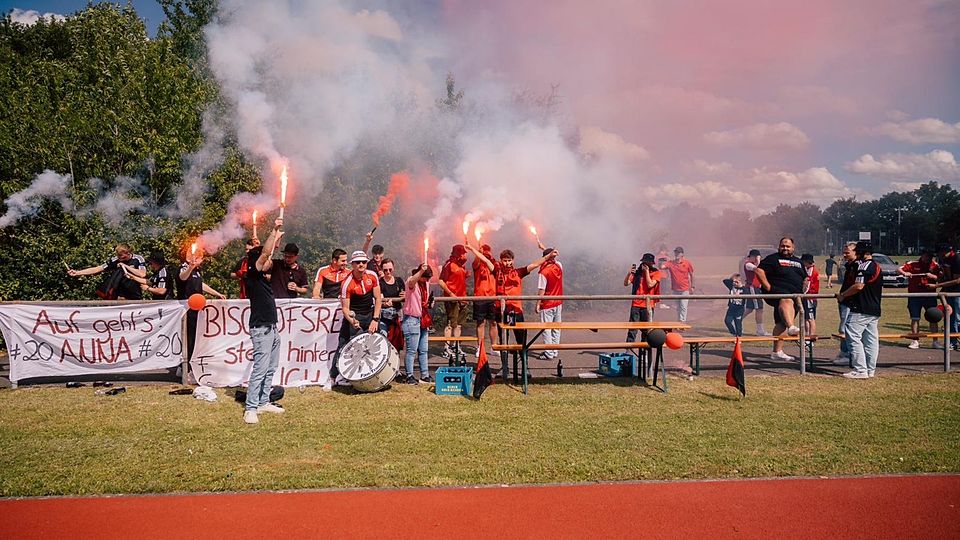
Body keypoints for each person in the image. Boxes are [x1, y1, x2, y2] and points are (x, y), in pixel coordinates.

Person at [242, 218, 286, 424]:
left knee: (271, 367)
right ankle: (251, 407)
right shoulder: (252, 273)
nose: (270, 262)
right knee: (260, 368)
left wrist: (276, 239)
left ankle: (263, 401)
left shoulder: (260, 276)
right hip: (261, 329)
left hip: (271, 328)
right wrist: (274, 230)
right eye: (264, 259)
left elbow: (270, 253)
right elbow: (266, 254)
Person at [494, 248, 555, 379]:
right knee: (503, 340)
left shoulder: (518, 272)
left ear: (513, 261)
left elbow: (534, 264)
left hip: (516, 311)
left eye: (509, 260)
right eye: (504, 261)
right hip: (501, 310)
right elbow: (486, 261)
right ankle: (504, 368)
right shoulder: (497, 272)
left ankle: (525, 367)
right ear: (501, 261)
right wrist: (472, 248)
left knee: (521, 340)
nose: (507, 263)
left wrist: (548, 256)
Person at [332, 250, 383, 388]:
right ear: (352, 264)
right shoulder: (346, 283)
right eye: (357, 262)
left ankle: (370, 375)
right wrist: (352, 321)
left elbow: (378, 298)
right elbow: (345, 309)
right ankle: (339, 376)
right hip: (355, 316)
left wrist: (375, 319)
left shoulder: (372, 276)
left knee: (371, 346)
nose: (361, 264)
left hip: (370, 314)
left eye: (364, 262)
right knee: (349, 346)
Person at [754, 237, 807, 361]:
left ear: (793, 248)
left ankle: (777, 352)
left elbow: (804, 277)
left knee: (781, 323)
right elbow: (759, 271)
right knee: (786, 300)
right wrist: (767, 286)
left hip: (796, 296)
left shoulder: (798, 262)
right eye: (783, 246)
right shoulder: (773, 259)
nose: (785, 248)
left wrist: (803, 288)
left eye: (788, 246)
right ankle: (792, 327)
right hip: (779, 293)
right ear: (779, 246)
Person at [835, 241, 883, 379]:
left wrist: (843, 295)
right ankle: (870, 369)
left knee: (853, 337)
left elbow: (859, 286)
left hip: (861, 308)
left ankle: (860, 369)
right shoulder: (876, 266)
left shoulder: (863, 266)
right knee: (871, 340)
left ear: (861, 252)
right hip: (874, 308)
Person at [67, 243, 146, 300]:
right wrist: (77, 272)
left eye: (121, 256)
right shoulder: (115, 260)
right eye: (117, 255)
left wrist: (125, 266)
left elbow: (142, 274)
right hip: (120, 296)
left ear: (128, 253)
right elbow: (98, 269)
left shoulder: (138, 259)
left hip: (135, 295)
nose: (118, 258)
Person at [898, 250, 941, 349]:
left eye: (930, 257)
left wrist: (933, 276)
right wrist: (905, 273)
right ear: (922, 256)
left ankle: (935, 341)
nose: (928, 259)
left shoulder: (935, 265)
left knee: (933, 318)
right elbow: (899, 269)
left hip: (930, 296)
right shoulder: (913, 264)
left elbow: (941, 279)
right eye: (926, 256)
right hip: (915, 296)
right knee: (915, 318)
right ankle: (915, 340)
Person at [401, 264, 433, 384]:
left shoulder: (426, 285)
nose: (427, 280)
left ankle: (424, 374)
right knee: (411, 350)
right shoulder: (412, 282)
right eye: (426, 278)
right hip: (411, 319)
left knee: (424, 350)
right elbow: (412, 280)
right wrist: (421, 271)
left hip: (423, 318)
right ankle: (409, 375)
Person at [466, 241, 498, 359]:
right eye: (485, 253)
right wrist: (478, 253)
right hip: (480, 296)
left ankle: (494, 346)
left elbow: (493, 266)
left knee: (493, 322)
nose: (487, 255)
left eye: (488, 253)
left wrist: (486, 257)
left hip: (493, 297)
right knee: (481, 323)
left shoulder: (494, 264)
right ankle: (480, 347)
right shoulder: (477, 265)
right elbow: (476, 262)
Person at [438, 244, 469, 362]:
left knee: (459, 324)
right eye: (463, 253)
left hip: (462, 298)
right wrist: (450, 293)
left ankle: (456, 346)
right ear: (457, 253)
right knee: (451, 323)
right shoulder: (449, 264)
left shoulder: (462, 266)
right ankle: (447, 347)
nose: (464, 255)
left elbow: (459, 280)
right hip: (452, 299)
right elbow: (441, 281)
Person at [624, 253, 661, 342]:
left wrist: (647, 272)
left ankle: (644, 352)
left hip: (648, 305)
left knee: (646, 330)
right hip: (636, 304)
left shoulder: (656, 272)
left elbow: (650, 284)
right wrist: (629, 273)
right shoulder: (638, 273)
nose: (645, 265)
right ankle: (629, 350)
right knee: (633, 329)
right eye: (644, 263)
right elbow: (626, 283)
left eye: (648, 263)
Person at [832, 242, 858, 366]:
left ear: (855, 252)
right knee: (842, 327)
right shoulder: (848, 265)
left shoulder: (858, 266)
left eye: (847, 252)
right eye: (844, 252)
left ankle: (847, 354)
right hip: (844, 301)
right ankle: (844, 352)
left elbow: (856, 286)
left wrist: (844, 295)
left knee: (846, 328)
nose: (844, 254)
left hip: (850, 301)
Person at [536, 247, 563, 360]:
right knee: (556, 328)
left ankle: (548, 352)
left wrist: (538, 303)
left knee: (546, 328)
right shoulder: (559, 265)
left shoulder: (544, 272)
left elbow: (541, 290)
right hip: (558, 302)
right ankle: (554, 350)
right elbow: (554, 258)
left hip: (547, 304)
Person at [660, 246, 695, 323]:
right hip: (675, 289)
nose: (676, 254)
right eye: (675, 252)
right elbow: (662, 267)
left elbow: (692, 274)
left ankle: (682, 322)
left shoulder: (687, 263)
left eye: (678, 252)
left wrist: (692, 286)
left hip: (685, 288)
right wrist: (662, 261)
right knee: (678, 307)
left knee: (683, 306)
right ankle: (679, 321)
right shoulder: (671, 263)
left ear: (682, 254)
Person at [377, 258, 405, 351]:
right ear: (382, 270)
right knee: (384, 337)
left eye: (390, 269)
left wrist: (405, 295)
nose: (388, 272)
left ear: (393, 268)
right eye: (385, 270)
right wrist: (384, 303)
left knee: (397, 339)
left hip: (397, 315)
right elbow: (379, 299)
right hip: (384, 315)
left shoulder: (399, 281)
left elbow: (403, 294)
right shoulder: (379, 283)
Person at [936, 243, 960, 351]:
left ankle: (954, 342)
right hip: (948, 292)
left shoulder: (956, 259)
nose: (940, 254)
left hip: (957, 292)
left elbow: (957, 280)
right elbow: (944, 277)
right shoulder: (943, 260)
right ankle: (951, 340)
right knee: (949, 317)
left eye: (942, 252)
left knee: (956, 318)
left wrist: (937, 285)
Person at [742, 249, 768, 336]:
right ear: (752, 257)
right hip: (753, 288)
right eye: (756, 257)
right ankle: (760, 330)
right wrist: (759, 260)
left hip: (756, 288)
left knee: (749, 309)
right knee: (759, 309)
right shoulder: (748, 264)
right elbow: (757, 270)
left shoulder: (753, 264)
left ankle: (736, 320)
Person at [801, 253, 819, 338]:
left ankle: (811, 337)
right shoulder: (808, 269)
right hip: (807, 297)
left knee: (811, 319)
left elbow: (808, 284)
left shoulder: (811, 270)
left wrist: (803, 293)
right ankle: (807, 335)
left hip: (810, 297)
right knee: (806, 318)